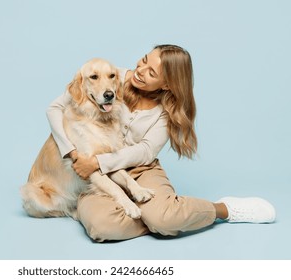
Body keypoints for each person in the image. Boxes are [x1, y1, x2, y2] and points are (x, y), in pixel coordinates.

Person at [46, 44, 276, 242]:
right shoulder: (113, 77)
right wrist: (72, 152)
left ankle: (222, 209)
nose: (140, 71)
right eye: (144, 61)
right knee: (102, 227)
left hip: (140, 167)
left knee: (162, 218)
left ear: (167, 84)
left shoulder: (166, 113)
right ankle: (162, 220)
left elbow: (144, 151)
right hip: (95, 175)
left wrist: (98, 162)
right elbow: (55, 108)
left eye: (152, 73)